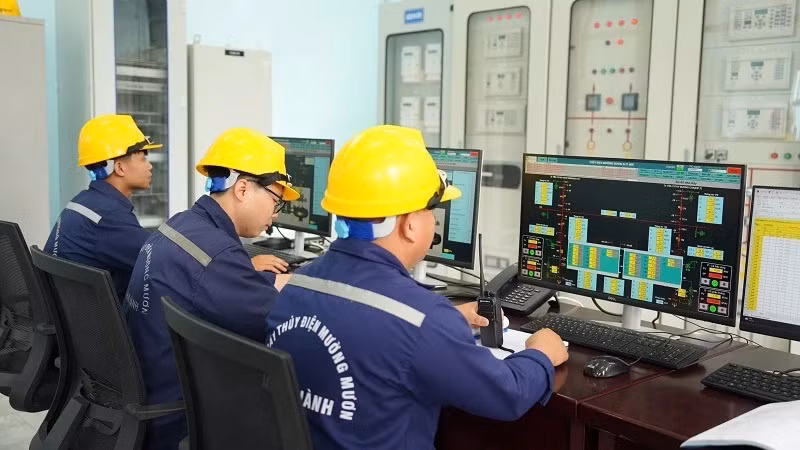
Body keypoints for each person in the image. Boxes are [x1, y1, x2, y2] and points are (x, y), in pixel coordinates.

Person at [265, 125, 569, 450]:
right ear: (409, 224)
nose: (433, 221)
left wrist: (440, 321)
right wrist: (540, 354)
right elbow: (506, 394)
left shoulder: (295, 286)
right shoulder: (421, 319)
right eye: (431, 211)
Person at [123, 128, 301, 450]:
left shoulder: (183, 225)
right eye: (275, 201)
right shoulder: (215, 256)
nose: (274, 216)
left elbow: (218, 287)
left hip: (145, 390)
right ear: (243, 189)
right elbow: (278, 321)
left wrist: (261, 276)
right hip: (177, 416)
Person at [44, 114, 158, 301]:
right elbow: (160, 261)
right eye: (143, 158)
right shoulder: (108, 216)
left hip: (73, 317)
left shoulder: (85, 202)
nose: (150, 166)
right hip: (92, 325)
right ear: (120, 168)